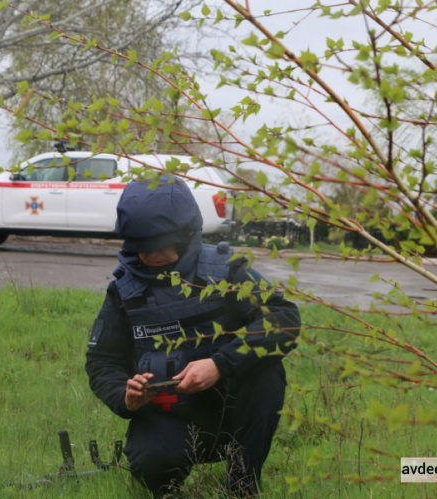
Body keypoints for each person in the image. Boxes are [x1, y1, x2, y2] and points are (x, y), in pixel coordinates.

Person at [85, 176, 300, 497]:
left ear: (186, 235)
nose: (151, 254)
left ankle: (242, 484)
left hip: (233, 413)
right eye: (142, 246)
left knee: (267, 371)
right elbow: (102, 361)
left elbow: (284, 318)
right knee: (150, 468)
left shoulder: (224, 272)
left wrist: (219, 364)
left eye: (161, 243)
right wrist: (125, 397)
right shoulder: (123, 292)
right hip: (171, 416)